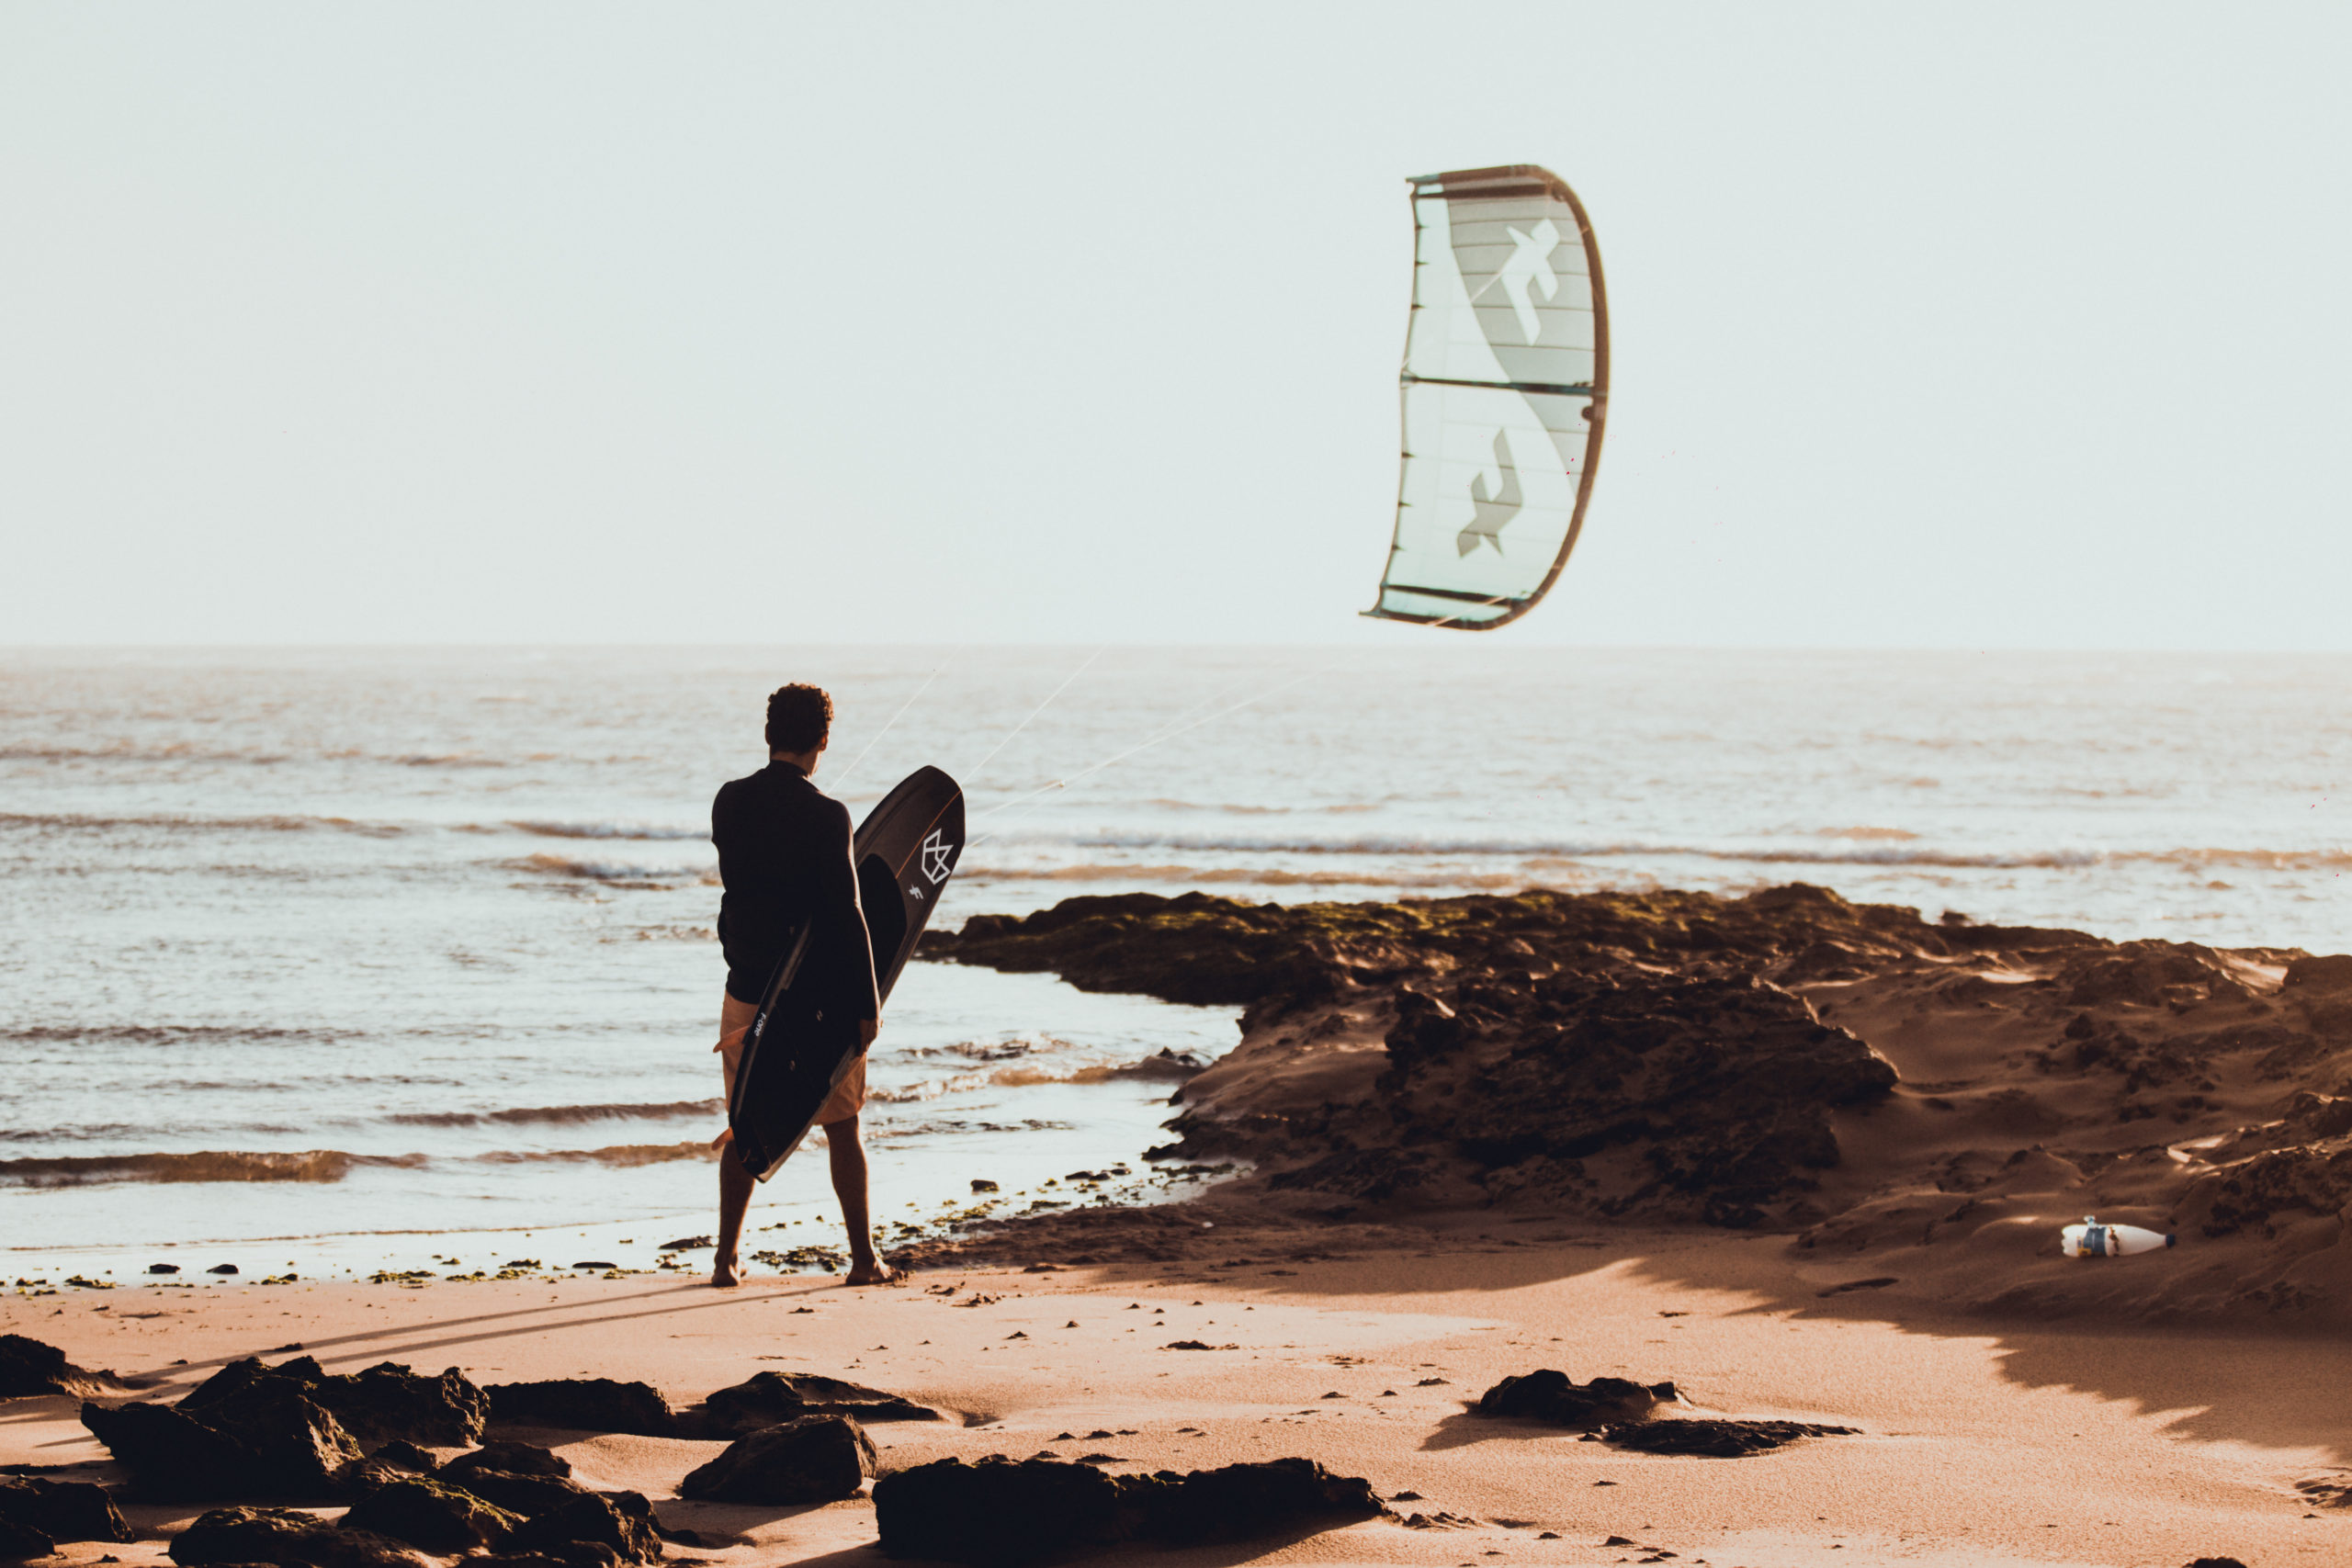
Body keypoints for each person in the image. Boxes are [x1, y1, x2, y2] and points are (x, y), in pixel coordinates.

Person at [707, 682, 899, 1288]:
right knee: (843, 1125)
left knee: (747, 1122)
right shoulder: (828, 815)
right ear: (822, 738)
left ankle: (725, 1261)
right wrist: (867, 1005)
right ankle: (864, 1260)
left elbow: (737, 893)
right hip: (816, 1004)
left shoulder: (728, 802)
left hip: (747, 994)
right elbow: (847, 913)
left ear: (769, 735)